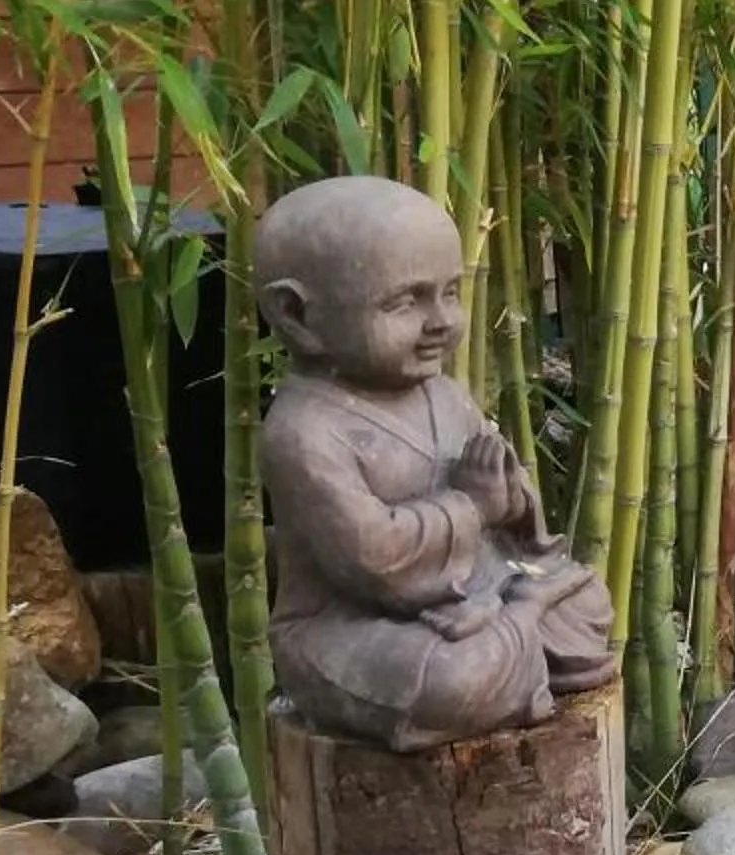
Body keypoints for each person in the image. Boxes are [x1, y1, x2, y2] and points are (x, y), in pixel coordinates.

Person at [255, 176, 615, 749]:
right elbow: (373, 560)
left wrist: (509, 493)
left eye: (450, 293)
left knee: (588, 604)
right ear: (297, 315)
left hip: (476, 593)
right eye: (404, 301)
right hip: (347, 626)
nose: (441, 321)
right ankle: (521, 620)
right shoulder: (303, 430)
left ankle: (522, 614)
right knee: (453, 679)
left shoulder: (443, 395)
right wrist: (472, 505)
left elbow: (508, 514)